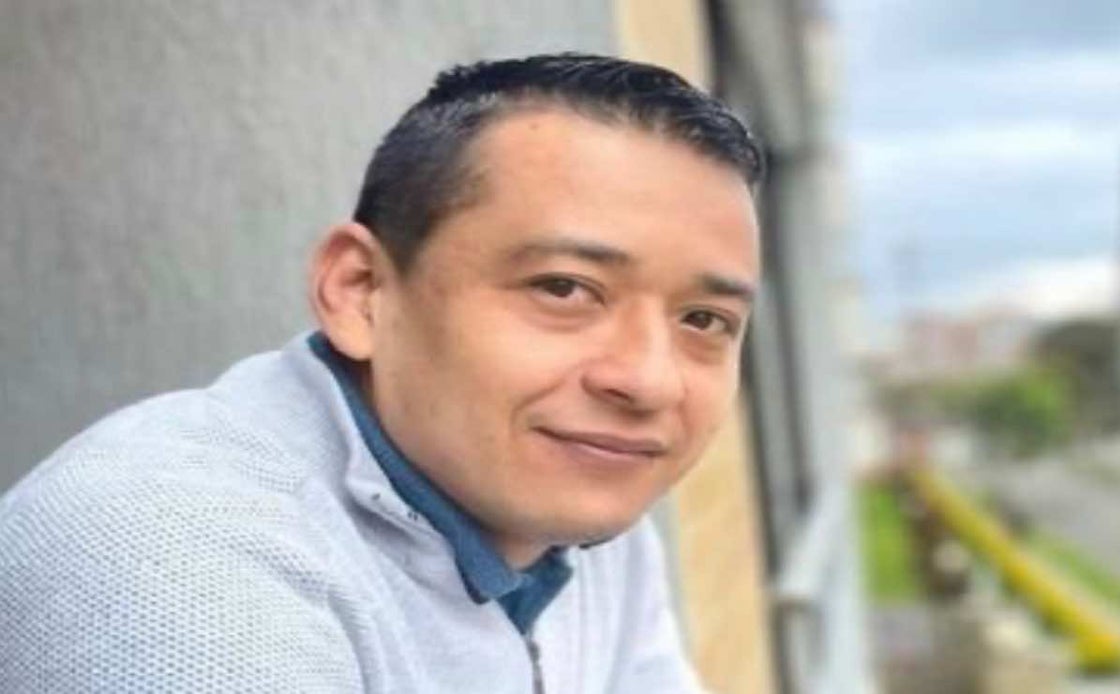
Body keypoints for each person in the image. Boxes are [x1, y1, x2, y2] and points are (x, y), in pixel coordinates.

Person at [0, 53, 762, 693]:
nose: (648, 381)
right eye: (563, 288)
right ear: (360, 291)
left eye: (704, 320)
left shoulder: (581, 516)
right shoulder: (170, 560)